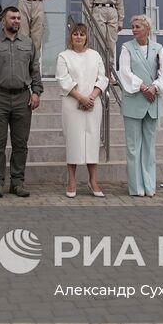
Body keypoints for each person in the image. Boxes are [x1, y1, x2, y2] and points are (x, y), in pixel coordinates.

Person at [0, 6, 43, 198]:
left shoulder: (28, 43)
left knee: (20, 143)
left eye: (18, 18)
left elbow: (35, 69)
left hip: (23, 98)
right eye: (12, 18)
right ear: (3, 21)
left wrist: (36, 92)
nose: (16, 21)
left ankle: (17, 182)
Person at [117, 15, 163, 197]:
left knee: (149, 147)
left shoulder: (158, 48)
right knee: (133, 147)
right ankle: (136, 188)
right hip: (134, 101)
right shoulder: (126, 47)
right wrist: (143, 87)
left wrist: (154, 88)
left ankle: (149, 186)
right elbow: (124, 72)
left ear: (147, 28)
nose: (134, 29)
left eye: (138, 26)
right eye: (133, 26)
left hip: (153, 102)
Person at [56, 23, 108, 198]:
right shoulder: (64, 56)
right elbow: (63, 80)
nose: (79, 37)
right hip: (72, 104)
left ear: (87, 38)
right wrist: (81, 98)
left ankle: (93, 180)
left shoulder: (95, 56)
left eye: (82, 34)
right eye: (75, 34)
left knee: (92, 142)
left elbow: (103, 78)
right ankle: (71, 181)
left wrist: (91, 97)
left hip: (93, 104)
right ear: (71, 37)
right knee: (74, 142)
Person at [83, 0, 124, 73]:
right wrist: (88, 20)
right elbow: (88, 2)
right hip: (98, 10)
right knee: (100, 42)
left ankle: (109, 72)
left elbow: (120, 3)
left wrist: (120, 20)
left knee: (111, 44)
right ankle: (99, 71)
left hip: (112, 12)